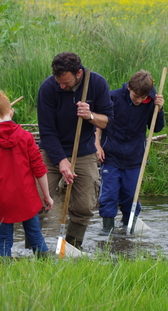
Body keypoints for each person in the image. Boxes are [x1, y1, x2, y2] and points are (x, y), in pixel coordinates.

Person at [37, 52, 114, 248]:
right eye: (59, 81)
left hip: (84, 152)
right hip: (52, 151)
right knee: (35, 201)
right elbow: (47, 132)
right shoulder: (48, 88)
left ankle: (71, 247)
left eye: (66, 82)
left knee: (84, 207)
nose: (61, 86)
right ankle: (34, 246)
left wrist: (89, 116)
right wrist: (61, 160)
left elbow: (107, 122)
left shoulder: (97, 83)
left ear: (79, 73)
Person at [0, 90, 54, 258]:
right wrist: (46, 196)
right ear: (11, 111)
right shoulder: (26, 137)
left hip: (2, 201)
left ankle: (3, 273)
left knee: (3, 240)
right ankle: (47, 267)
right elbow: (39, 169)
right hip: (28, 198)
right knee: (35, 236)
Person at [96, 70, 165, 234]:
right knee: (109, 196)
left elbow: (156, 127)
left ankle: (128, 231)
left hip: (134, 158)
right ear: (129, 88)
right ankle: (107, 233)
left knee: (130, 197)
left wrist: (159, 109)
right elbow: (98, 122)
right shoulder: (112, 97)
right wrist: (97, 144)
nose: (139, 100)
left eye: (143, 98)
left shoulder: (150, 103)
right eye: (136, 96)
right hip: (111, 155)